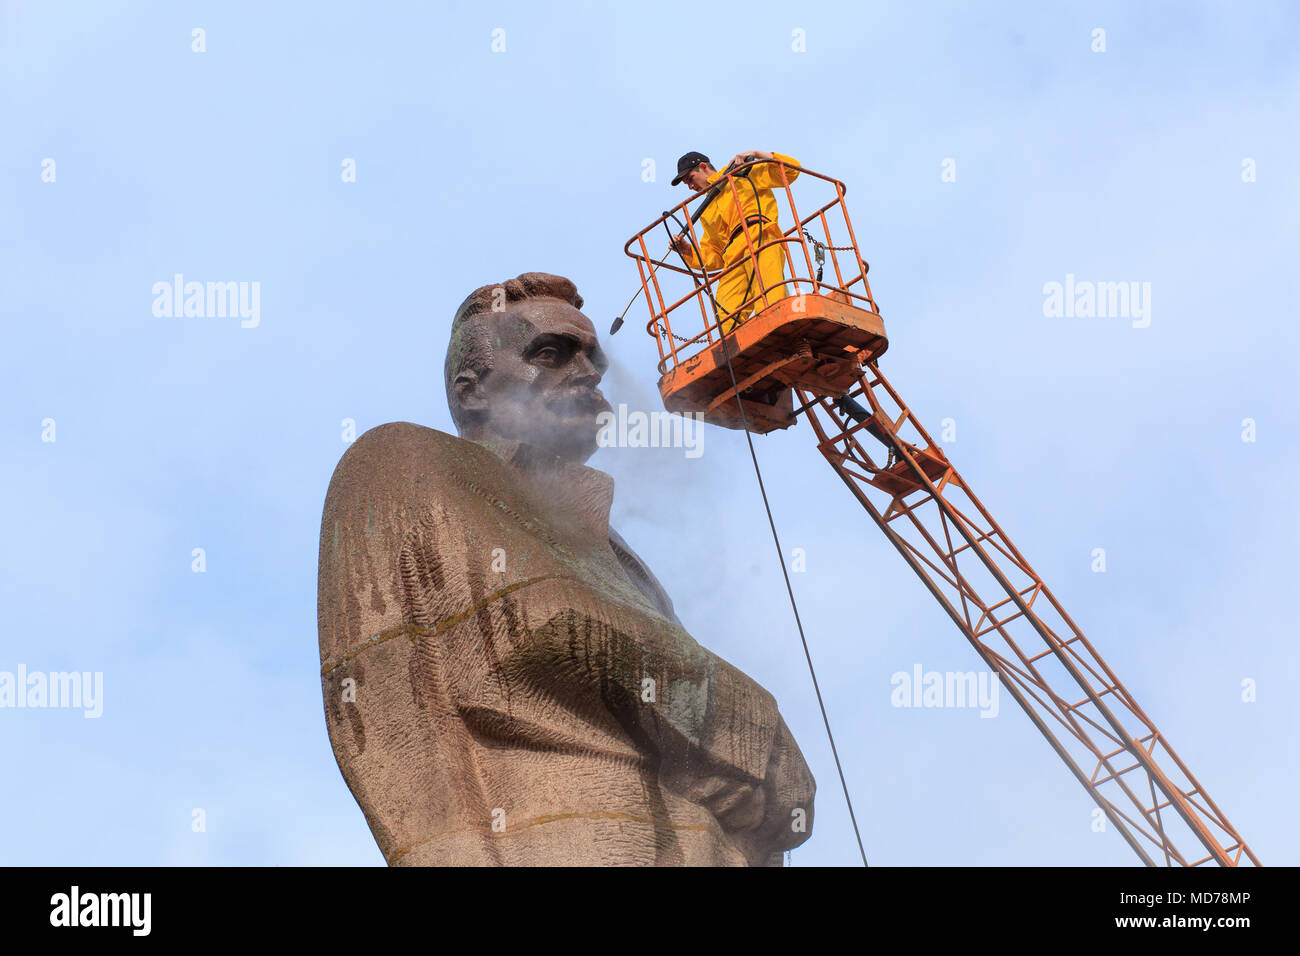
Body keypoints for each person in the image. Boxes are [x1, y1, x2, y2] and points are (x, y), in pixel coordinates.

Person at [317, 272, 815, 866]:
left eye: (593, 361)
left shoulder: (623, 558)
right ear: (471, 390)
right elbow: (536, 627)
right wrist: (754, 729)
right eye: (551, 354)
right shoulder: (408, 459)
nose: (586, 375)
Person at [669, 149, 802, 334]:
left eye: (690, 179)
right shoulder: (707, 209)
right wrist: (687, 250)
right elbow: (714, 256)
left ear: (703, 166)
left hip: (760, 237)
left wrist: (756, 154)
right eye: (686, 183)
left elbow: (791, 171)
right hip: (733, 257)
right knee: (726, 321)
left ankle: (784, 336)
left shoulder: (741, 173)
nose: (690, 187)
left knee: (770, 300)